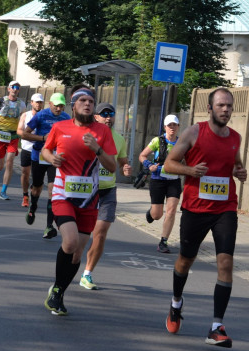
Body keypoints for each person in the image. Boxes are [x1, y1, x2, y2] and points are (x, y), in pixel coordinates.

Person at [161, 88, 248, 347]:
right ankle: (176, 303)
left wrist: (239, 172)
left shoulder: (235, 138)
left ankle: (216, 326)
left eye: (229, 106)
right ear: (210, 109)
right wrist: (190, 170)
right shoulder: (193, 133)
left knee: (225, 263)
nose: (225, 110)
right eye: (221, 105)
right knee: (185, 260)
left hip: (225, 208)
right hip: (196, 208)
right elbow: (169, 164)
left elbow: (235, 163)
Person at [40, 86, 118, 316]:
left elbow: (112, 166)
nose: (87, 104)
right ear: (73, 105)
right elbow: (46, 150)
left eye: (91, 102)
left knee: (77, 253)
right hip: (63, 194)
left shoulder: (102, 131)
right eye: (82, 100)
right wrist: (51, 157)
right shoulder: (59, 127)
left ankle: (59, 291)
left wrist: (98, 150)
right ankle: (57, 289)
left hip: (89, 200)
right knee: (71, 241)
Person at [78, 102, 132, 290]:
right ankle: (72, 263)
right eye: (104, 114)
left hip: (108, 190)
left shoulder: (119, 139)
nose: (108, 117)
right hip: (86, 190)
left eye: (111, 114)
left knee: (99, 234)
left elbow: (123, 160)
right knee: (80, 235)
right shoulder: (87, 135)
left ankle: (87, 273)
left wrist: (125, 167)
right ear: (96, 117)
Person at [20, 93, 70, 239]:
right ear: (50, 104)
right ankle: (33, 206)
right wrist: (42, 138)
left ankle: (49, 226)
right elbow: (25, 134)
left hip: (55, 158)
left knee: (52, 190)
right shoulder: (41, 115)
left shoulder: (66, 118)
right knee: (36, 188)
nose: (59, 109)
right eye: (56, 105)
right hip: (39, 156)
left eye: (61, 106)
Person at [139, 115, 183, 253]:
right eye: (169, 125)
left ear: (178, 127)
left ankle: (163, 241)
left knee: (171, 211)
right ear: (165, 127)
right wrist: (149, 165)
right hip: (158, 180)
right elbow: (142, 156)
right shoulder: (157, 141)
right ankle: (151, 213)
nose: (172, 128)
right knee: (157, 215)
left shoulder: (182, 143)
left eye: (174, 125)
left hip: (174, 181)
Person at [0, 81, 28, 200]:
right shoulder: (1, 101)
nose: (15, 89)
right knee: (0, 165)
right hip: (0, 136)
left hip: (13, 137)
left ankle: (3, 191)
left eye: (17, 88)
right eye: (13, 87)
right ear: (9, 89)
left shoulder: (22, 104)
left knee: (9, 162)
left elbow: (24, 120)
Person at [18, 94, 45, 206]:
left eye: (40, 102)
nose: (38, 104)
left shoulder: (45, 116)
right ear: (31, 103)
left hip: (41, 150)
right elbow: (19, 131)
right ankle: (25, 195)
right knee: (25, 173)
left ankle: (34, 190)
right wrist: (27, 135)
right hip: (27, 148)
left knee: (38, 176)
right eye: (36, 102)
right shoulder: (25, 115)